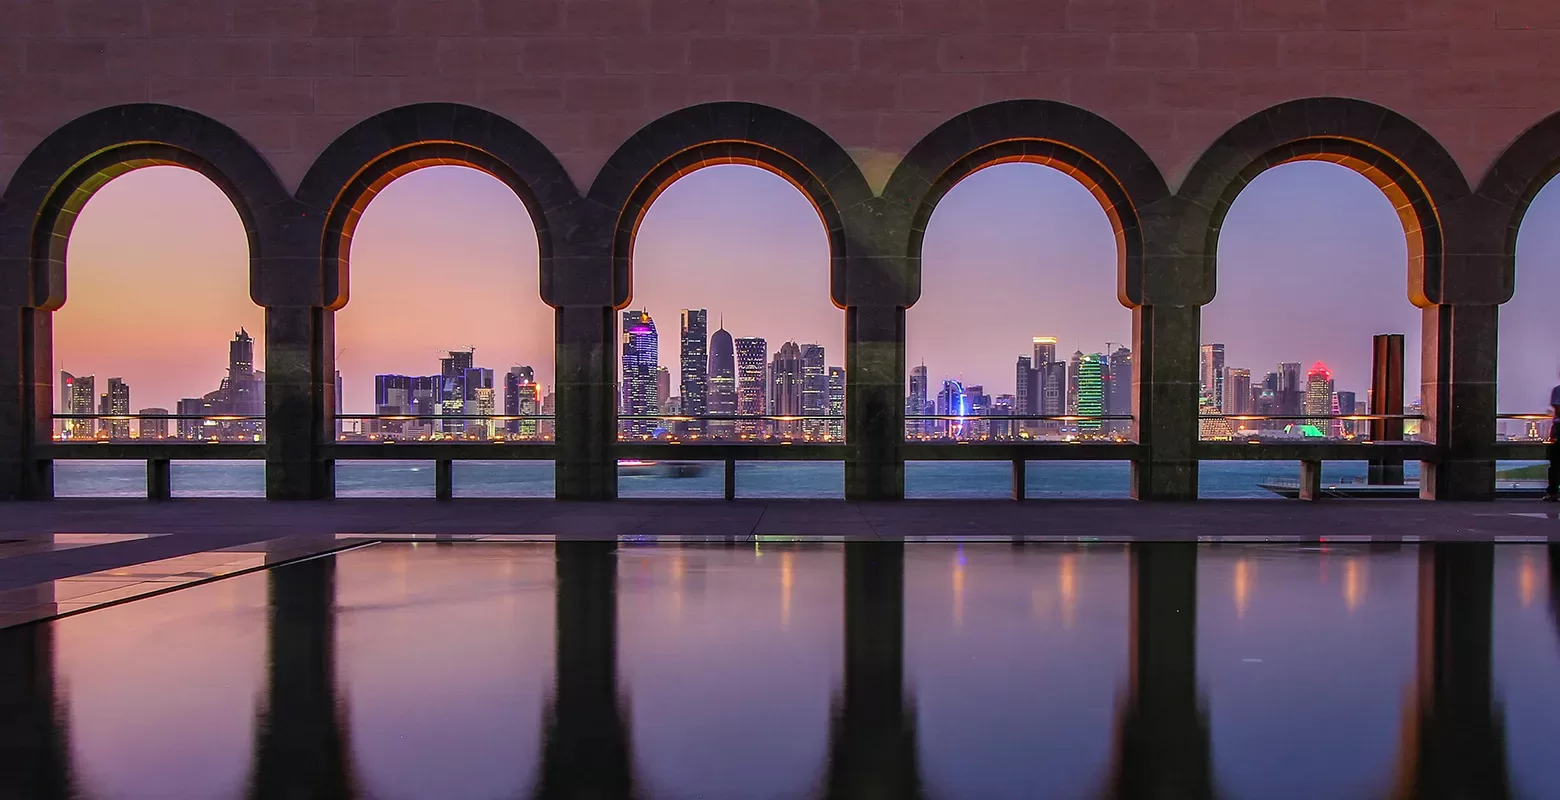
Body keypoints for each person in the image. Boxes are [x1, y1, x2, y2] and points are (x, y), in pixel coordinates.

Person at [1548, 374, 1560, 501]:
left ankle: (1553, 493)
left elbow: (1557, 407)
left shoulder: (1557, 390)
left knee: (1556, 461)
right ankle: (1553, 492)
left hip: (1558, 428)